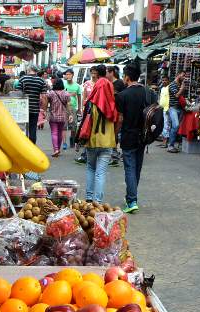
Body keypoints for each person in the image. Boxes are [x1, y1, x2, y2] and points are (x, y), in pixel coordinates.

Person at [81, 67, 118, 203]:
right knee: (101, 173)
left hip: (92, 140)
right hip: (107, 142)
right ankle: (98, 201)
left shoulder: (91, 103)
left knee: (91, 168)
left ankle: (89, 198)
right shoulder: (113, 105)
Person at [116, 64, 149, 213]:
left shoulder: (122, 95)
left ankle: (132, 200)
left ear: (127, 77)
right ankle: (132, 195)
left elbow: (120, 119)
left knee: (129, 167)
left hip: (128, 135)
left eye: (124, 76)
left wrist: (115, 136)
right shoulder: (148, 92)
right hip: (143, 136)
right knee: (137, 167)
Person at [40, 79, 75, 157]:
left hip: (53, 116)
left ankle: (56, 149)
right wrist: (70, 115)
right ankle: (58, 149)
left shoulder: (51, 93)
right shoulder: (66, 94)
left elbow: (45, 101)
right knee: (60, 133)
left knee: (54, 132)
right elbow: (69, 105)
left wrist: (44, 111)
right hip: (63, 116)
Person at [19, 65, 48, 144]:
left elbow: (17, 93)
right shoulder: (41, 81)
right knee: (33, 128)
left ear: (29, 70)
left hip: (23, 108)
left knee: (22, 129)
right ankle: (32, 148)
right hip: (35, 109)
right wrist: (44, 110)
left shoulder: (23, 79)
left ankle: (23, 146)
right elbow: (44, 97)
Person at [166, 71, 186, 152]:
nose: (184, 77)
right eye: (183, 75)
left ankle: (172, 144)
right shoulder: (172, 85)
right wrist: (182, 88)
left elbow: (181, 97)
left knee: (175, 127)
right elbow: (177, 95)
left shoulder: (179, 84)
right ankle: (170, 146)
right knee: (176, 126)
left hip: (180, 108)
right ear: (178, 75)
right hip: (173, 108)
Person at [63, 69, 83, 148]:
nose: (68, 76)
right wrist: (71, 94)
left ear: (72, 75)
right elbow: (62, 94)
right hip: (64, 107)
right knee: (64, 125)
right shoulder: (63, 84)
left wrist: (79, 108)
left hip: (73, 107)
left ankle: (72, 138)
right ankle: (64, 143)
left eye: (69, 74)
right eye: (66, 74)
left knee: (73, 126)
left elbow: (79, 97)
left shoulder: (77, 86)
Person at [158, 75, 170, 144]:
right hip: (162, 109)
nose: (164, 81)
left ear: (168, 81)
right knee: (163, 125)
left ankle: (165, 142)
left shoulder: (169, 88)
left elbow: (170, 99)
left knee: (166, 125)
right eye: (163, 80)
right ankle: (163, 140)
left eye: (165, 80)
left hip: (167, 109)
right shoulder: (162, 88)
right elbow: (161, 98)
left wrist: (169, 108)